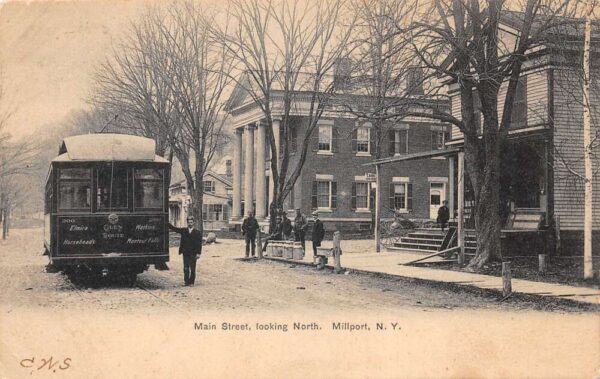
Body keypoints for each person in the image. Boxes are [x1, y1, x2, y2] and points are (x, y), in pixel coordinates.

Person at [168, 216, 203, 286]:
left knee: (192, 268)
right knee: (186, 267)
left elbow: (199, 244)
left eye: (191, 222)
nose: (190, 224)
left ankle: (192, 282)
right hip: (185, 252)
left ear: (193, 223)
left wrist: (198, 253)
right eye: (188, 222)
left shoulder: (197, 232)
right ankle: (186, 282)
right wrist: (168, 224)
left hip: (193, 253)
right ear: (187, 223)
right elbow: (175, 229)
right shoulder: (184, 230)